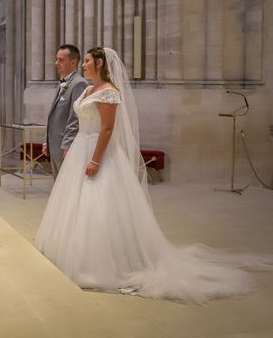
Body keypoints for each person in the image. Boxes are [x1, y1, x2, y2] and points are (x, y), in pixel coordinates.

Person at [35, 47, 272, 302]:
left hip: (97, 153)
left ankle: (103, 263)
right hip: (81, 147)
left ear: (100, 63)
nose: (83, 65)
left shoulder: (109, 92)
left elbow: (106, 131)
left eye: (88, 61)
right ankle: (70, 251)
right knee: (74, 205)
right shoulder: (87, 90)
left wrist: (95, 160)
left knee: (100, 206)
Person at [43, 45, 88, 178]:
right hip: (55, 145)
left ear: (73, 62)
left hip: (65, 146)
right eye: (56, 59)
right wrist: (46, 141)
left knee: (66, 187)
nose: (56, 63)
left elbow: (75, 118)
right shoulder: (63, 82)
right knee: (58, 187)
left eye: (61, 60)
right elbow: (54, 115)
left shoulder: (79, 84)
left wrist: (67, 145)